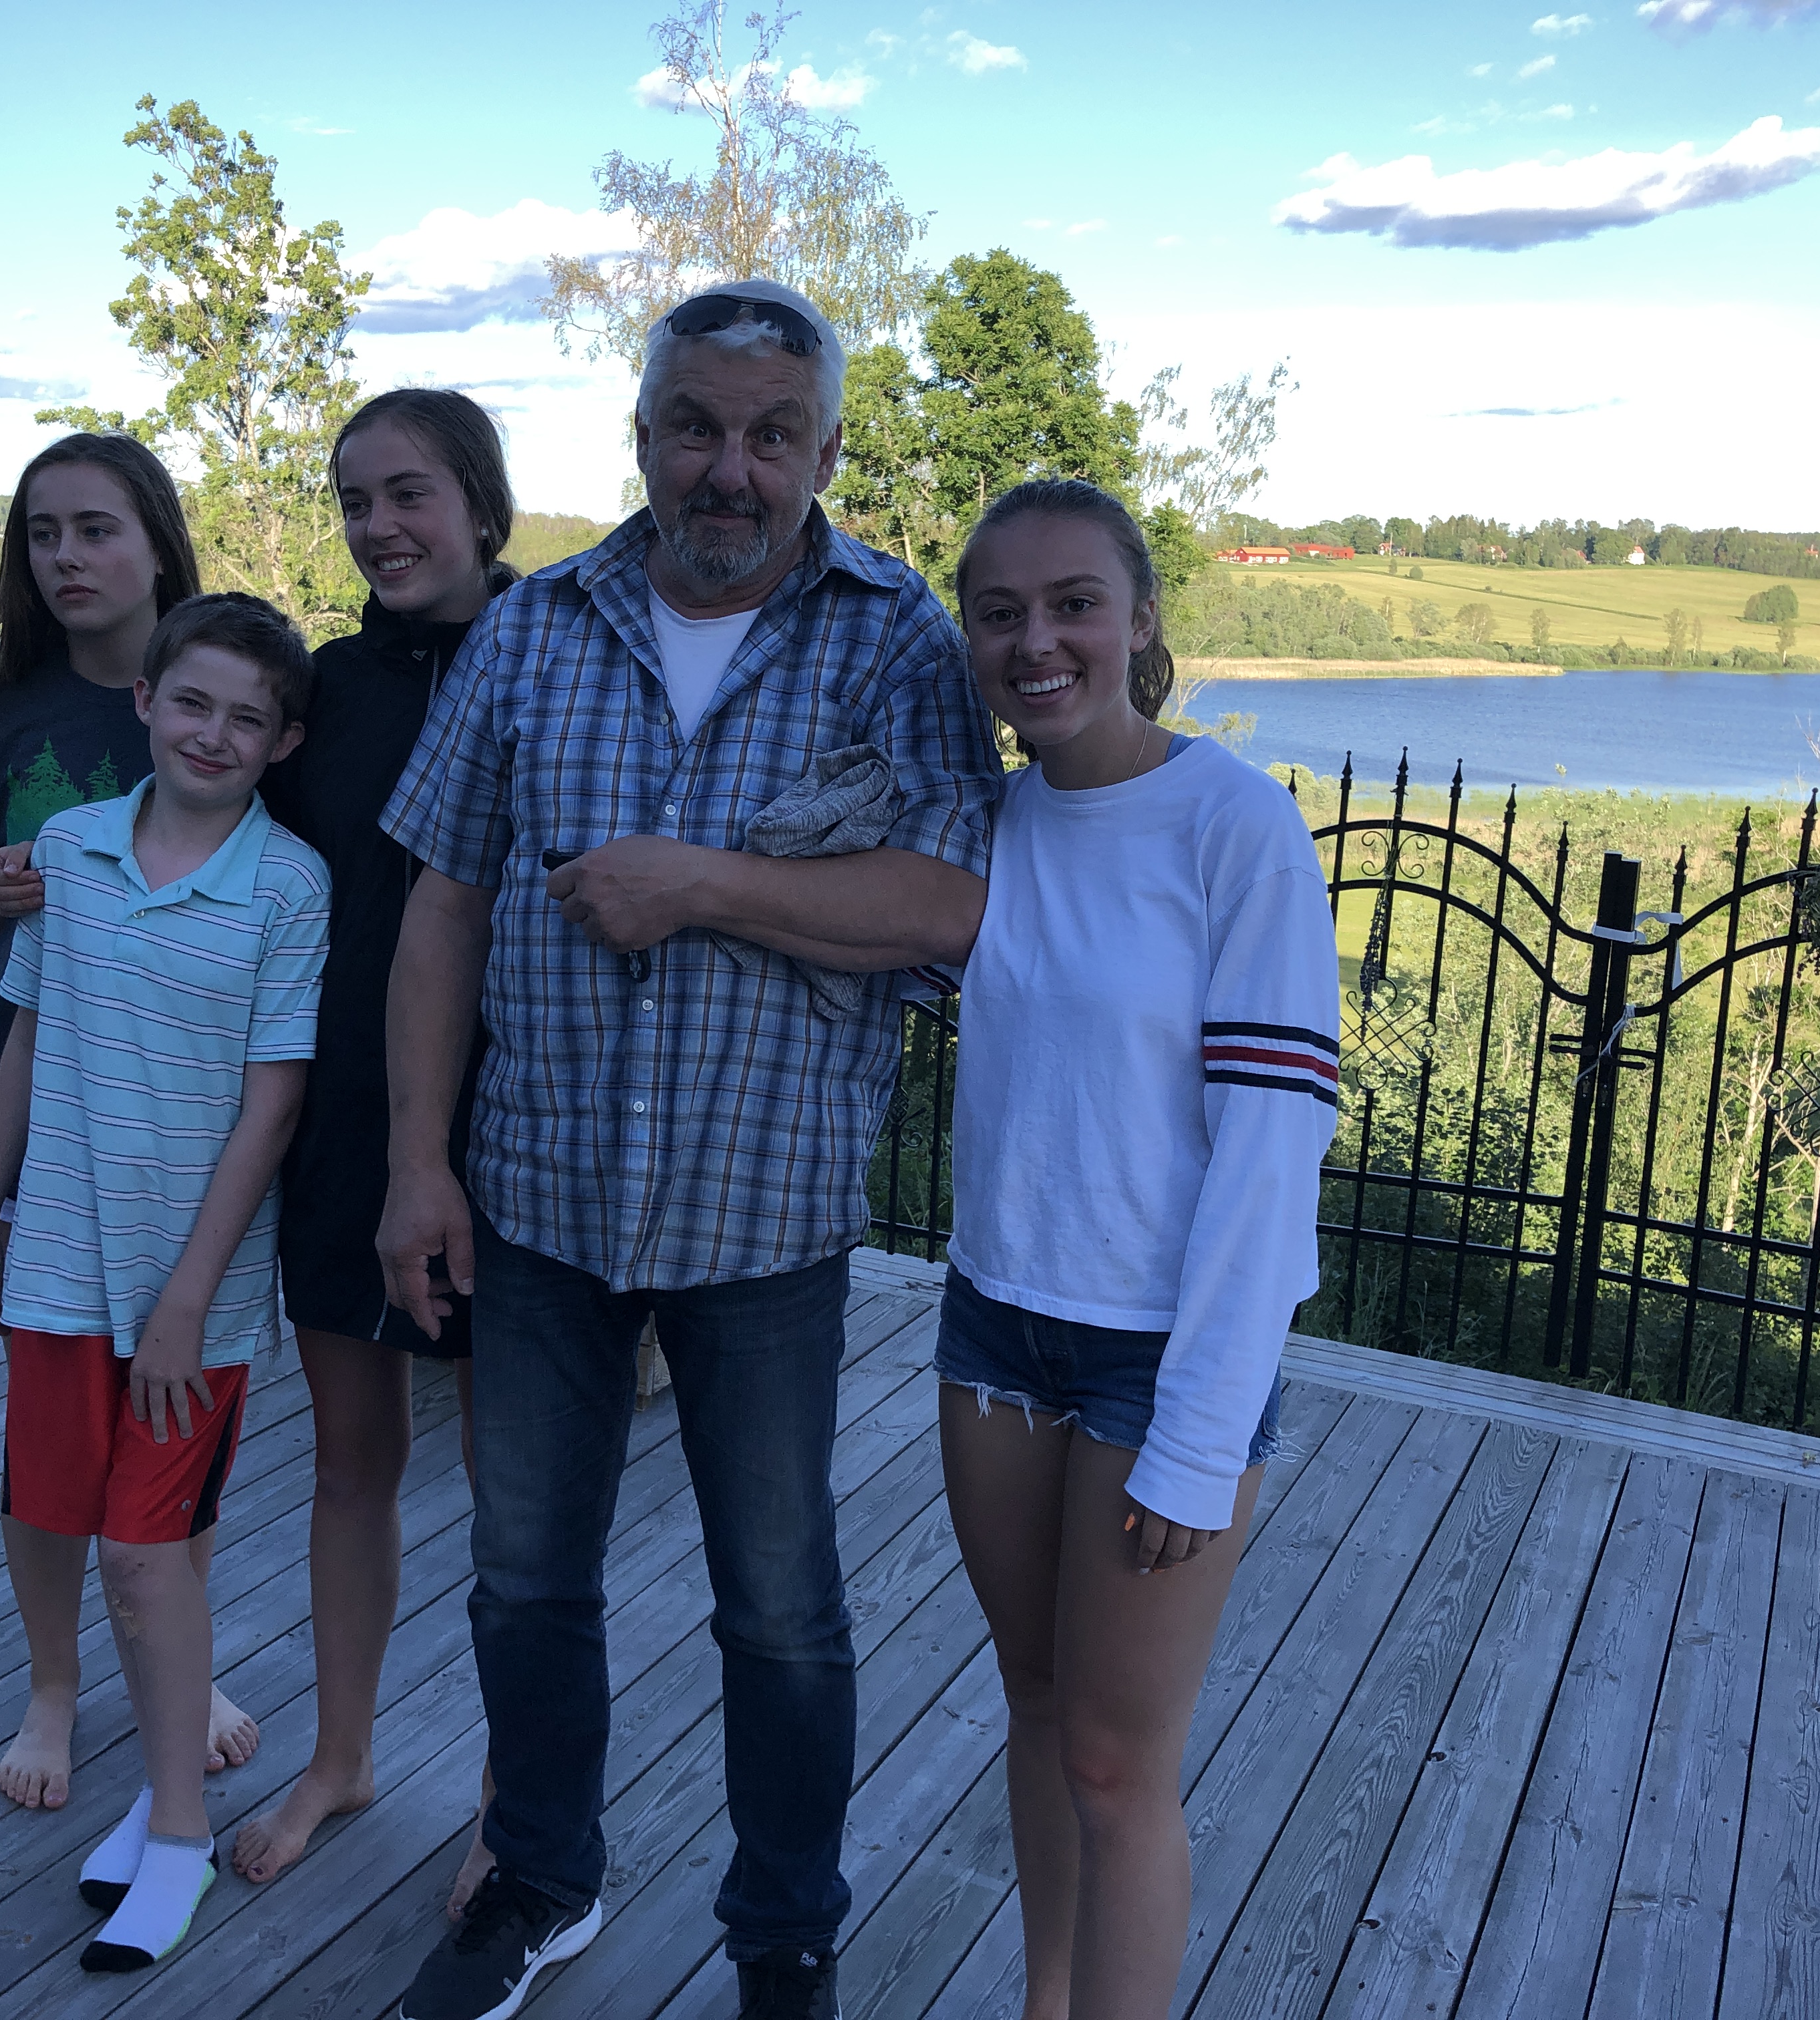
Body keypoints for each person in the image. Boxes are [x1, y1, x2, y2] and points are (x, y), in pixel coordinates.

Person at [377, 281, 1002, 2020]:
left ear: (825, 450)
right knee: (524, 1579)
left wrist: (700, 884)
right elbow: (443, 901)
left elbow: (950, 904)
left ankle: (783, 1935)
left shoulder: (896, 639)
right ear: (641, 432)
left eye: (771, 434)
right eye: (697, 427)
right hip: (539, 1198)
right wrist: (419, 1161)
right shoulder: (537, 627)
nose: (731, 468)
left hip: (766, 1219)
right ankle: (540, 1880)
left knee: (781, 1610)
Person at [937, 481, 1338, 2020]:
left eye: (1074, 604)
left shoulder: (1236, 827)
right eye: (999, 613)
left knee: (1117, 1765)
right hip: (994, 1328)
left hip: (1159, 1361)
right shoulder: (992, 821)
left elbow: (1269, 1158)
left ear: (1141, 620)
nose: (1036, 641)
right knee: (1037, 1703)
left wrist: (1200, 1434)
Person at [0, 591, 329, 1974]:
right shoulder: (69, 850)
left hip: (194, 1295)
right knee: (66, 1519)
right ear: (147, 704)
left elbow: (272, 1107)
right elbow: (26, 1036)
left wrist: (187, 1298)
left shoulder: (289, 888)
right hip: (58, 1261)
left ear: (283, 741)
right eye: (193, 703)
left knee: (144, 1556)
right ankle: (153, 1789)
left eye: (247, 717)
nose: (213, 734)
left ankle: (178, 1832)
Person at [0, 432, 257, 1810]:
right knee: (44, 1444)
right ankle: (54, 1685)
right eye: (42, 534)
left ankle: (182, 1660)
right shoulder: (3, 713)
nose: (66, 558)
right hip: (36, 1131)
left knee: (178, 1424)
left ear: (157, 540)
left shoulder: (221, 696)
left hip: (185, 1130)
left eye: (96, 529)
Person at [231, 389, 516, 1906]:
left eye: (409, 494)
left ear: (481, 503)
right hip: (344, 1124)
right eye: (354, 500)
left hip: (516, 1131)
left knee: (513, 1494)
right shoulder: (324, 695)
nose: (378, 527)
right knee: (351, 1465)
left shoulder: (556, 661)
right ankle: (342, 1758)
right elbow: (209, 837)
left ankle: (511, 1807)